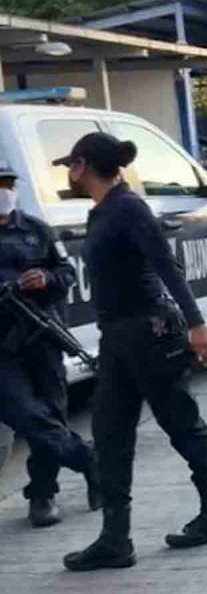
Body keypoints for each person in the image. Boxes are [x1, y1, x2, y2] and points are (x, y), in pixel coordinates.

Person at [53, 133, 207, 571]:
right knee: (110, 433)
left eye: (70, 166)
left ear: (82, 165)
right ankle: (115, 539)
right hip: (117, 336)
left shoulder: (128, 208)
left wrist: (197, 326)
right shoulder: (102, 211)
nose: (67, 174)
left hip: (150, 332)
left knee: (181, 423)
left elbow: (165, 265)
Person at [0, 163, 100, 528]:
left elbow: (66, 273)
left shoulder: (36, 231)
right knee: (27, 414)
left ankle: (43, 493)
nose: (4, 191)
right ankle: (89, 459)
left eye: (8, 184)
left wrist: (45, 279)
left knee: (51, 413)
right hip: (2, 347)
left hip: (42, 335)